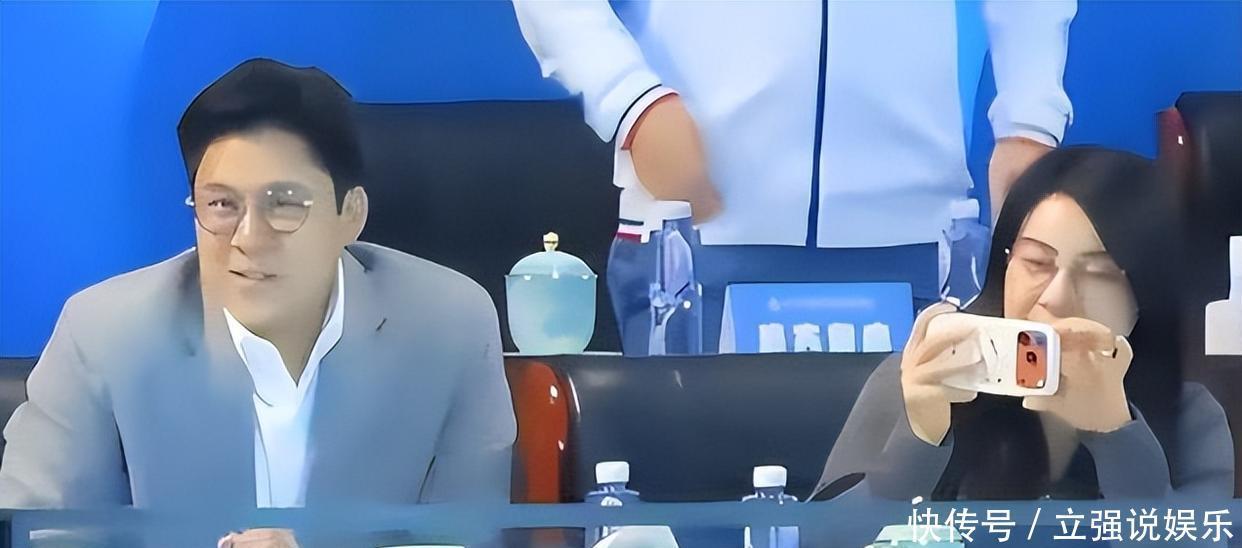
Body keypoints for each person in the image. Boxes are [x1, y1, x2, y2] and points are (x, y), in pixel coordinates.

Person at [0, 59, 517, 518]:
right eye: (221, 205)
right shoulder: (104, 333)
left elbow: (462, 536)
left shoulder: (449, 326)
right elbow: (38, 531)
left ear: (351, 214)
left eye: (284, 203)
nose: (248, 238)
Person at [512, 0, 1077, 354]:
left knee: (913, 485)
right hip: (694, 229)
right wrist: (630, 102)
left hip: (922, 234)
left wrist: (1030, 119)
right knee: (698, 489)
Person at [812, 147, 1234, 501]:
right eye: (1036, 262)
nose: (1057, 297)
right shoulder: (923, 376)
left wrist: (1116, 433)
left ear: (1146, 292)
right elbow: (817, 537)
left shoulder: (1189, 414)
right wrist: (918, 438)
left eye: (1099, 272)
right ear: (1005, 267)